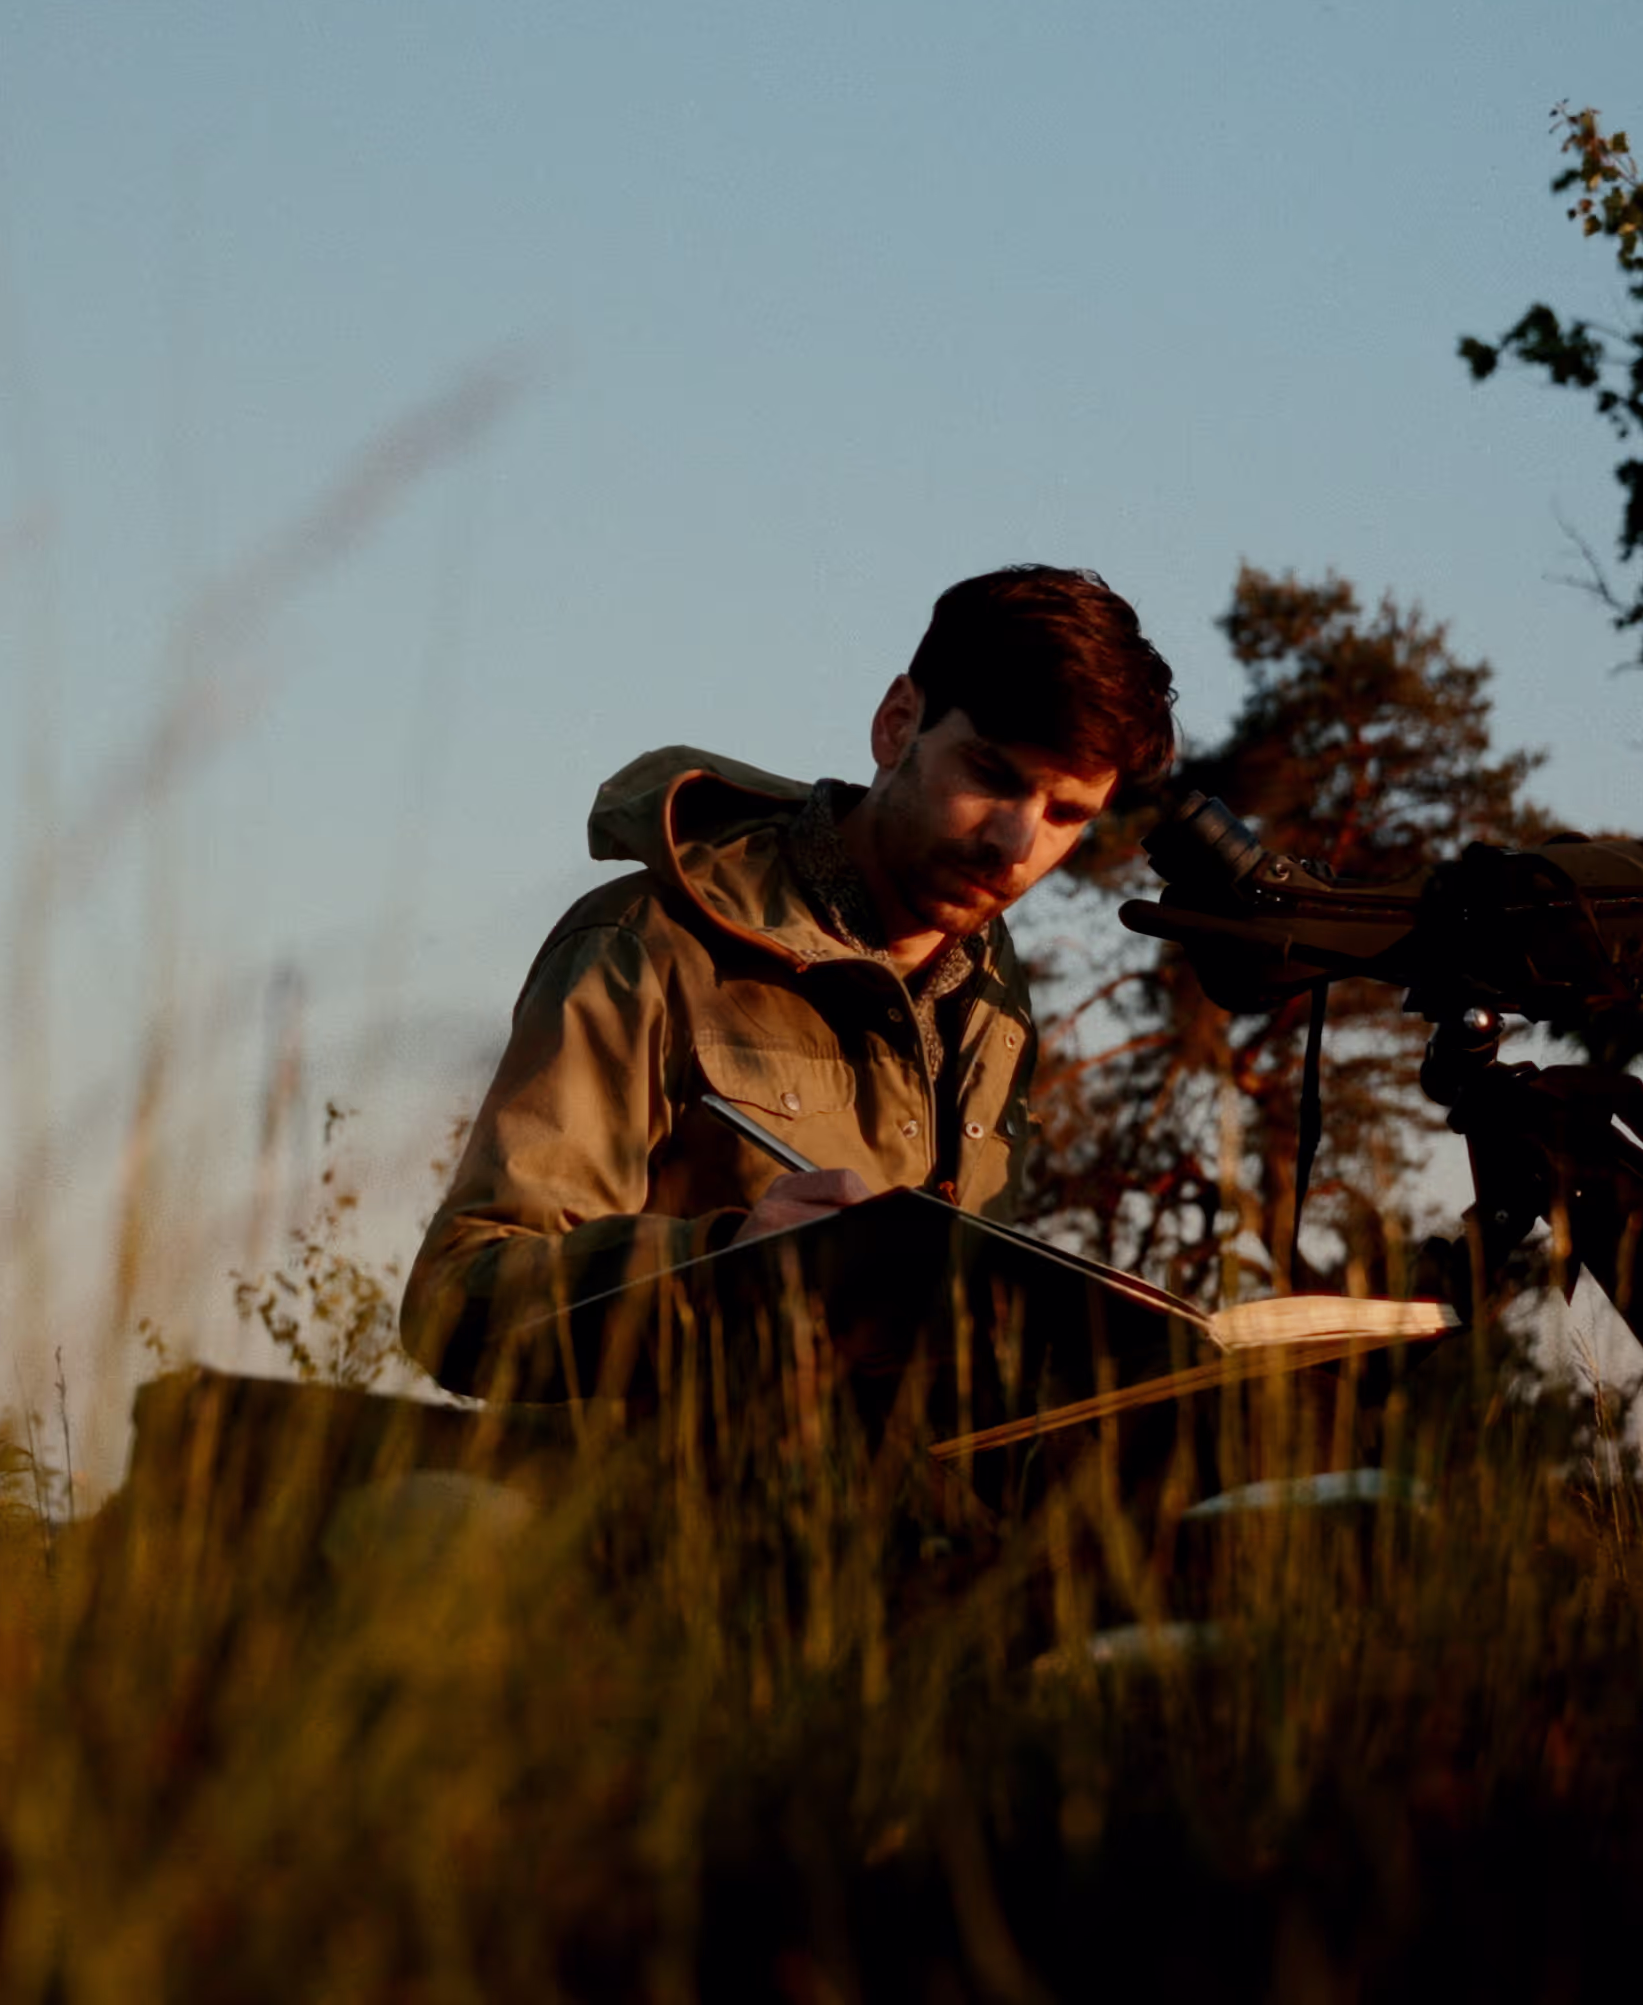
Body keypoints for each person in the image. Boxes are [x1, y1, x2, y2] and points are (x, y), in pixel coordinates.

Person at [400, 566, 1179, 1398]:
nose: (1016, 843)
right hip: (650, 1516)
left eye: (1067, 815)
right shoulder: (649, 944)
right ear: (897, 723)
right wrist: (723, 1266)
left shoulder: (992, 1007)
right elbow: (458, 1302)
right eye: (990, 775)